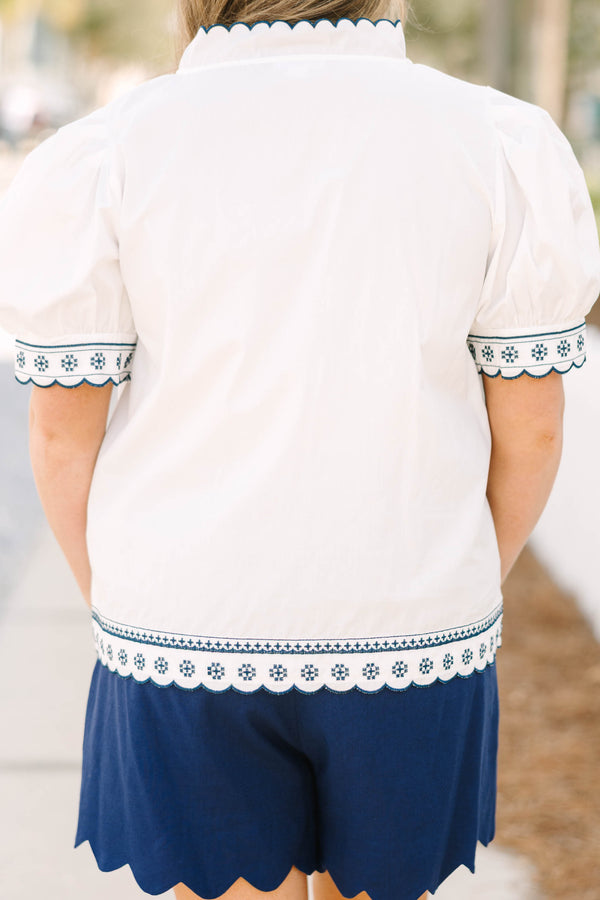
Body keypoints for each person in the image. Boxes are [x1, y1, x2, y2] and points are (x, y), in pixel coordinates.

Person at [0, 1, 599, 898]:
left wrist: (121, 597)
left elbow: (60, 433)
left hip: (184, 628)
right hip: (415, 627)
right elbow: (534, 423)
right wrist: (466, 570)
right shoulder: (495, 140)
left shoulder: (107, 153)